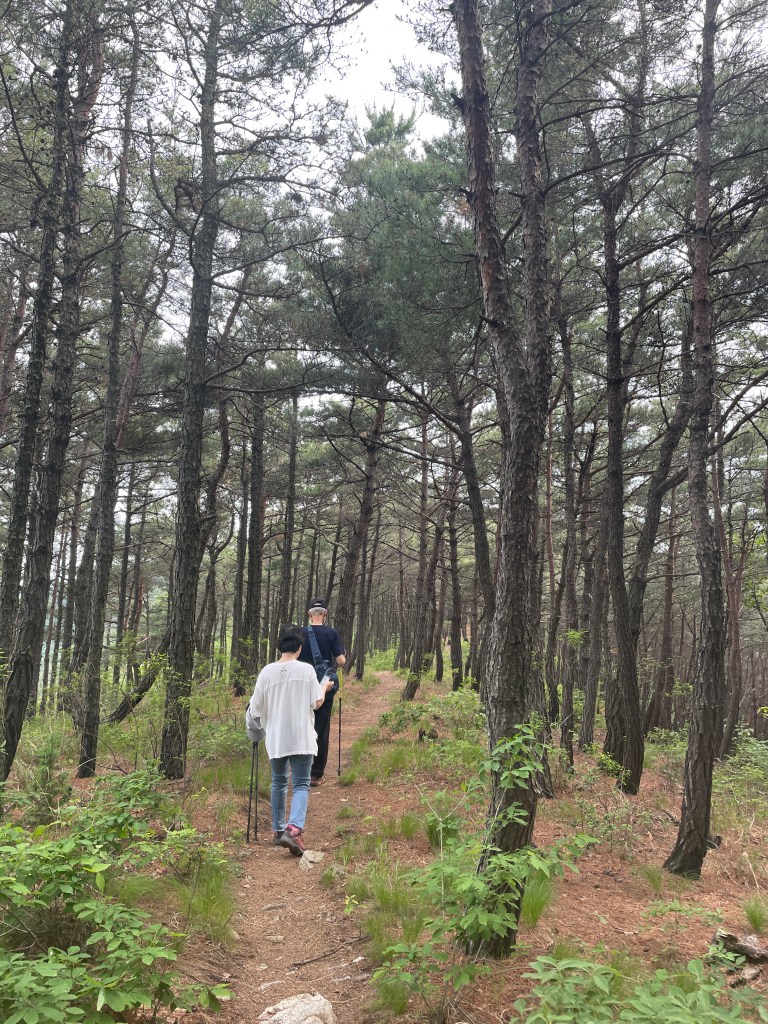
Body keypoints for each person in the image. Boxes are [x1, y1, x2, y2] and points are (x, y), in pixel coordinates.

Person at [247, 623, 334, 856]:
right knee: (301, 783)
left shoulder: (266, 672)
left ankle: (278, 830)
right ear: (299, 646)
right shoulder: (306, 671)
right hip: (301, 736)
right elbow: (316, 703)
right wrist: (324, 687)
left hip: (276, 737)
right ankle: (294, 829)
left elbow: (255, 708)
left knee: (278, 782)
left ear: (280, 645)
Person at [298, 597, 346, 787]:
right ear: (325, 615)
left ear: (310, 614)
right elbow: (341, 661)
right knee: (321, 727)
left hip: (302, 685)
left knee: (302, 725)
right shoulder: (332, 633)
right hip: (324, 685)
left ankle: (300, 768)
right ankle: (316, 774)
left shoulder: (300, 633)